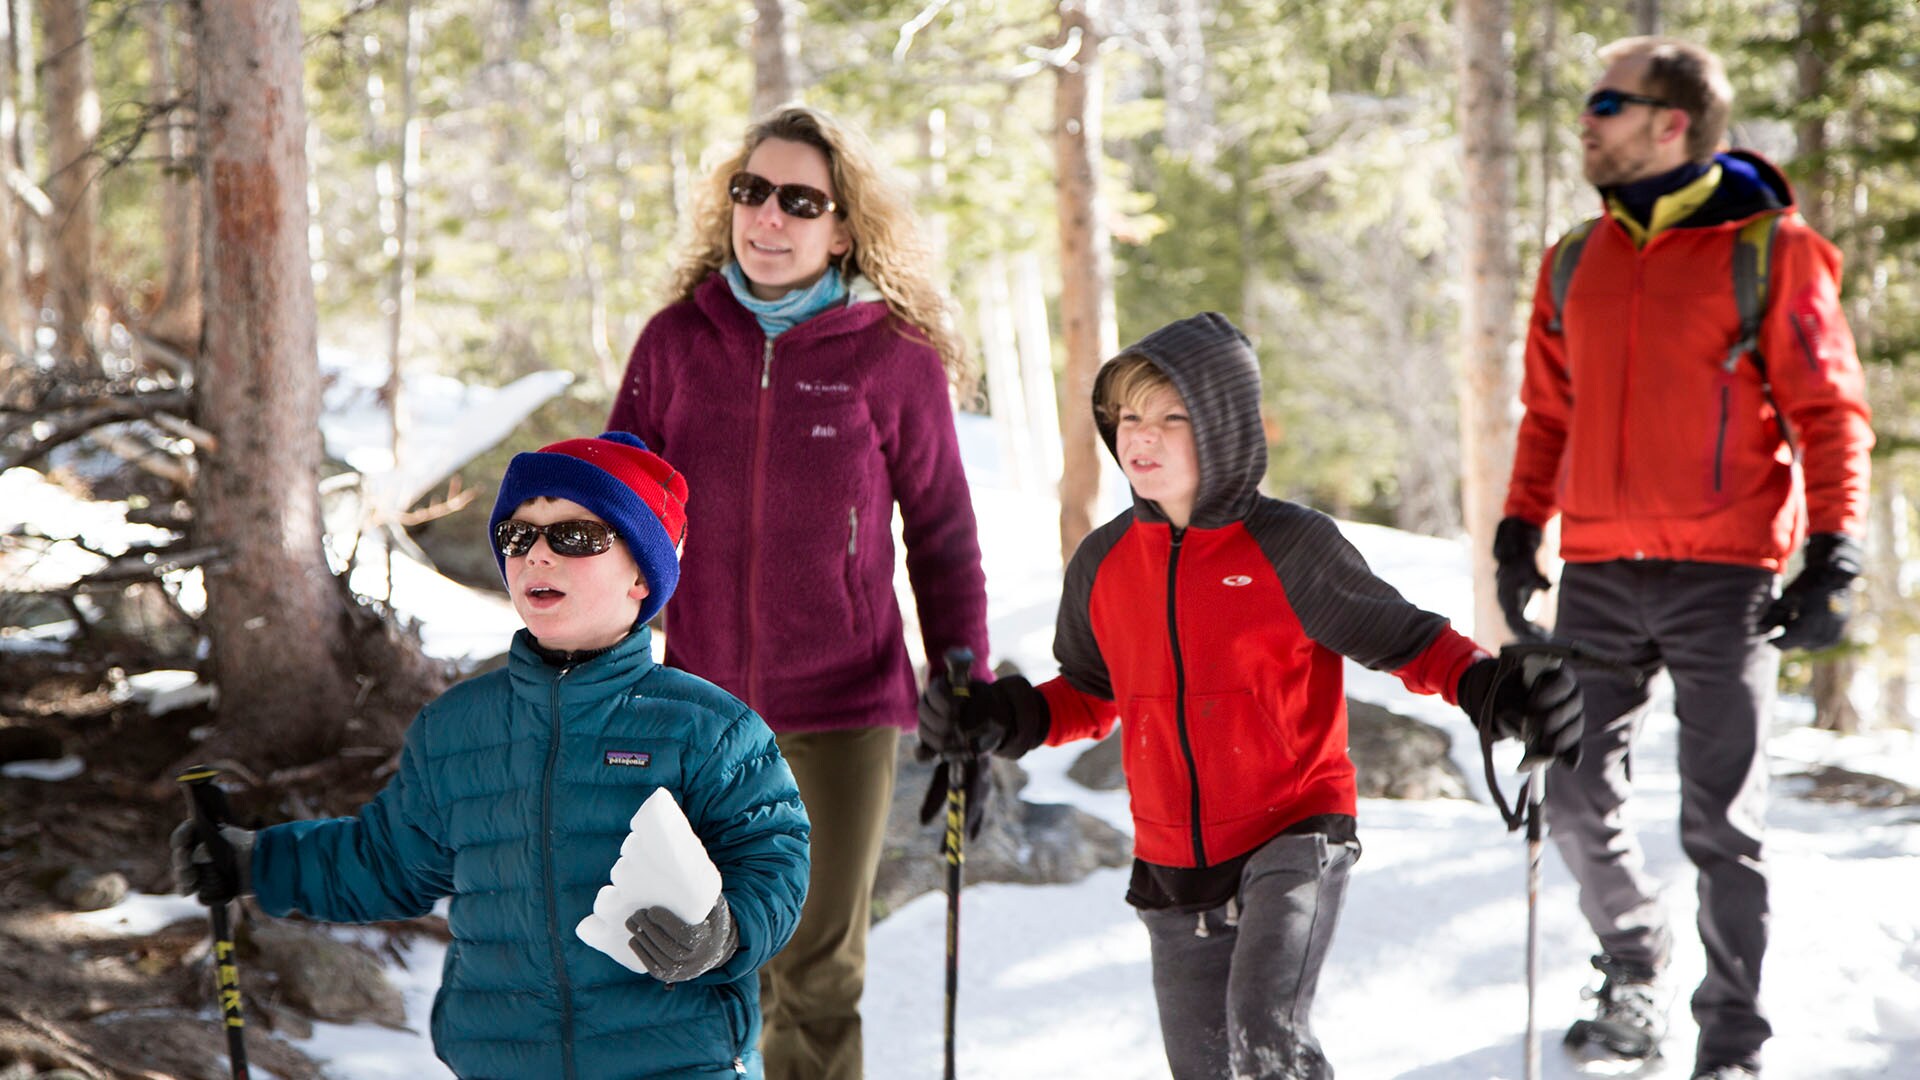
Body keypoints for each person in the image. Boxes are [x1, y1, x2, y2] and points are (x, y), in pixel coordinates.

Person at [918, 312, 1585, 1080]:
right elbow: (1093, 693)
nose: (1143, 434)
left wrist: (1493, 689)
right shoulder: (1103, 562)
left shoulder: (1289, 546)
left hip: (1295, 831)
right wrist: (1003, 716)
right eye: (1129, 415)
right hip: (1171, 864)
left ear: (1226, 429)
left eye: (1173, 416)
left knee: (1266, 1032)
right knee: (1204, 1066)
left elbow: (1409, 640)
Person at [171, 432, 811, 1079]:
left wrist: (725, 933)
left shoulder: (708, 727)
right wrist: (257, 861)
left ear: (642, 572)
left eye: (575, 536)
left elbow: (775, 859)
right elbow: (387, 861)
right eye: (518, 535)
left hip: (677, 1062)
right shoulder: (457, 728)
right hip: (504, 1061)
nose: (537, 554)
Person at [1493, 37, 1875, 1080]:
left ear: (1673, 123)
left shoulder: (1772, 251)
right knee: (1569, 795)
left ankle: (1731, 1046)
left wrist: (1835, 548)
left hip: (1728, 579)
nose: (1587, 119)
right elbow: (1549, 414)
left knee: (1723, 828)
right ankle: (1633, 959)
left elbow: (1830, 414)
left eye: (1607, 103)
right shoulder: (1577, 256)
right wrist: (1521, 528)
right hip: (1600, 575)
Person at [606, 105, 989, 1080]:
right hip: (698, 711)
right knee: (695, 962)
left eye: (798, 200)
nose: (767, 217)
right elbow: (612, 523)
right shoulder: (676, 346)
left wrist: (965, 685)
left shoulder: (889, 357)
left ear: (843, 227)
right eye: (751, 191)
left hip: (842, 711)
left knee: (813, 974)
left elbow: (941, 533)